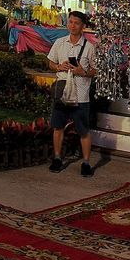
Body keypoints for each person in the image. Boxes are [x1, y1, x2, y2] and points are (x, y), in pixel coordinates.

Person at [48, 11, 99, 177]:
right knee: (58, 126)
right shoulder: (60, 43)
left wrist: (81, 71)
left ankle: (85, 162)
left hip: (81, 94)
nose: (72, 25)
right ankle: (57, 158)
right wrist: (58, 67)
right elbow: (50, 62)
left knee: (83, 130)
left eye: (76, 23)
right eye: (70, 22)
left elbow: (95, 70)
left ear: (83, 26)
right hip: (62, 93)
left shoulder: (89, 47)